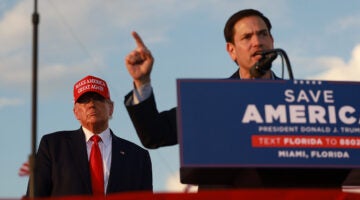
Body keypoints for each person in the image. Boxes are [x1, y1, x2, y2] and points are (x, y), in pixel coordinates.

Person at [124, 9, 278, 149]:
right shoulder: (212, 99)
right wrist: (142, 81)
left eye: (263, 34)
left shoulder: (297, 98)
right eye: (247, 37)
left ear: (272, 41)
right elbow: (155, 134)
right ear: (232, 50)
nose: (257, 42)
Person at [26, 75, 152, 197]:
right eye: (84, 100)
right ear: (76, 112)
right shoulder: (53, 146)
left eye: (97, 98)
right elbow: (35, 195)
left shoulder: (138, 157)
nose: (91, 104)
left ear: (111, 108)